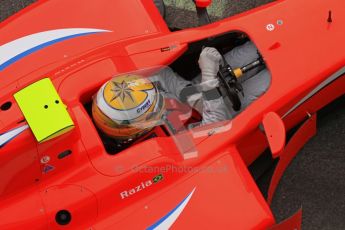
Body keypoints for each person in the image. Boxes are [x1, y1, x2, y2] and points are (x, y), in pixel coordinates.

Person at [92, 41, 271, 146]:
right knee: (273, 77)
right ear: (138, 129)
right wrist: (208, 79)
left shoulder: (136, 88)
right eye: (156, 108)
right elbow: (215, 126)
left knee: (257, 45)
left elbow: (162, 75)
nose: (160, 100)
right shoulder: (162, 145)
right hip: (222, 115)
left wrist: (201, 95)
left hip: (197, 93)